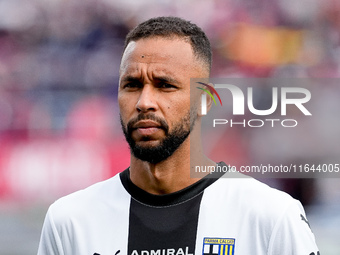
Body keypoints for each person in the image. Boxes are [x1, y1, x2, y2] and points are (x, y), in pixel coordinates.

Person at [37, 16, 320, 255]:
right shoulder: (69, 221)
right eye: (132, 85)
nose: (144, 101)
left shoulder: (270, 217)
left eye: (165, 85)